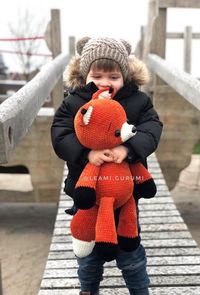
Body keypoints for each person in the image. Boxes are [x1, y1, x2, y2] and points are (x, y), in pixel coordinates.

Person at [51, 37, 163, 295]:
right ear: (85, 74)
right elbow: (60, 134)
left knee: (130, 251)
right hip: (86, 192)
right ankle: (88, 288)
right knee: (88, 253)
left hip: (125, 193)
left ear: (125, 75)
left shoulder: (137, 101)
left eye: (113, 76)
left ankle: (139, 288)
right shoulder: (74, 102)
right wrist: (84, 155)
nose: (105, 82)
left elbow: (152, 128)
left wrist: (128, 149)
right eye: (97, 75)